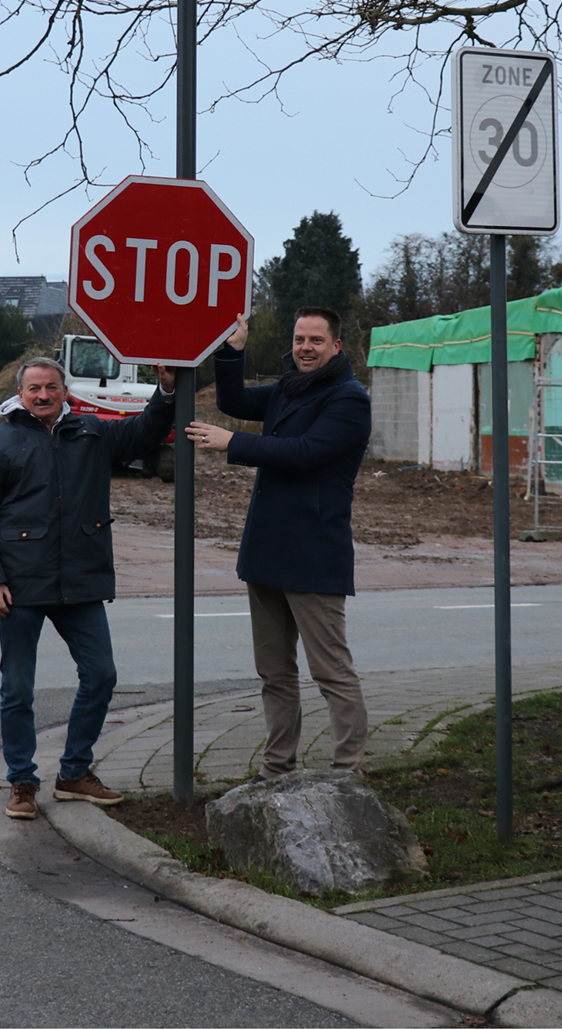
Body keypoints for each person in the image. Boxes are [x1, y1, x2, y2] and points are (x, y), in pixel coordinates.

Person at [0, 354, 177, 819]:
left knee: (102, 675)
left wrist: (166, 392)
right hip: (18, 586)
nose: (42, 396)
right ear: (19, 394)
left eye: (51, 388)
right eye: (33, 389)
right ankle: (22, 782)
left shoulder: (92, 433)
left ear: (65, 392)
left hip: (80, 580)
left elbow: (145, 432)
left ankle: (74, 772)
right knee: (17, 688)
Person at [184, 306, 372, 777]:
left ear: (336, 346)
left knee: (331, 672)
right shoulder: (290, 388)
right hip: (266, 551)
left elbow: (306, 454)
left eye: (315, 340)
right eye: (299, 339)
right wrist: (233, 351)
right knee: (274, 673)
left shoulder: (348, 399)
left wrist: (232, 443)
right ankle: (276, 768)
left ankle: (348, 771)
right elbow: (234, 401)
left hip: (313, 553)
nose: (305, 348)